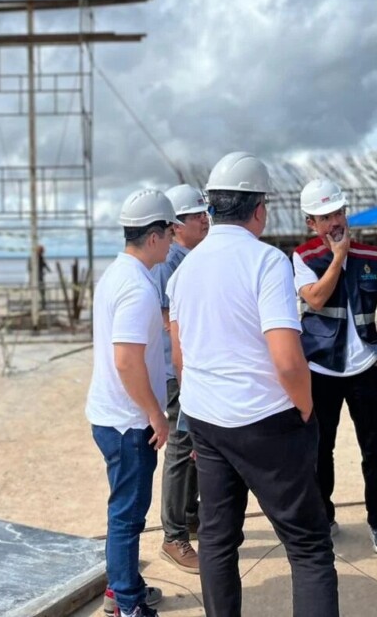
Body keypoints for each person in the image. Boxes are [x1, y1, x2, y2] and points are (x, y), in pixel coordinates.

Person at [167, 152, 339, 617]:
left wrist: (197, 417)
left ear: (212, 209)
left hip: (206, 421)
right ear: (259, 209)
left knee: (218, 539)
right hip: (268, 420)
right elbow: (287, 358)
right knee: (308, 545)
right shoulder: (266, 261)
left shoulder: (184, 271)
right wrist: (305, 407)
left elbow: (181, 358)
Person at [293, 178, 377, 556]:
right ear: (311, 223)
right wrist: (339, 257)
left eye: (338, 212)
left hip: (365, 367)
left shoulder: (370, 255)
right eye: (325, 217)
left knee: (373, 445)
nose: (334, 221)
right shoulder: (303, 257)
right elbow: (316, 299)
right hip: (321, 368)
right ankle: (323, 517)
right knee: (320, 448)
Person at [86, 188, 179, 617]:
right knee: (128, 515)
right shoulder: (138, 287)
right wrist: (156, 414)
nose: (173, 240)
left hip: (112, 414)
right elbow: (126, 360)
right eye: (170, 233)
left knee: (123, 509)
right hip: (128, 421)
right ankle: (127, 604)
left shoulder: (116, 274)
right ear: (154, 236)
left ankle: (123, 587)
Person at [153, 184, 209, 575]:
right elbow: (166, 321)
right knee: (179, 445)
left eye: (205, 213)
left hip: (191, 367)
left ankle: (190, 515)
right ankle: (173, 536)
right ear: (176, 225)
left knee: (192, 444)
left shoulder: (191, 257)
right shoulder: (169, 263)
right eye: (196, 216)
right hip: (178, 371)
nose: (205, 220)